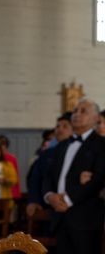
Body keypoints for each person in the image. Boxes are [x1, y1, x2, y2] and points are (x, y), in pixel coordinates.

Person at [42, 98, 105, 254]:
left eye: (83, 111)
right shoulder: (61, 145)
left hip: (86, 218)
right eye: (75, 111)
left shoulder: (101, 144)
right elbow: (48, 176)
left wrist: (67, 200)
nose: (77, 114)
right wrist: (50, 196)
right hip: (59, 216)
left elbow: (98, 179)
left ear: (96, 118)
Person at [26, 112, 73, 218]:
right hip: (47, 205)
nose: (60, 129)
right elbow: (35, 178)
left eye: (65, 126)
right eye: (57, 126)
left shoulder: (81, 152)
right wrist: (33, 200)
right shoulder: (46, 154)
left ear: (73, 130)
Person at [0, 134, 21, 199]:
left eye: (2, 144)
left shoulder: (11, 159)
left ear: (6, 146)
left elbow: (15, 178)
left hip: (9, 192)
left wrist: (16, 194)